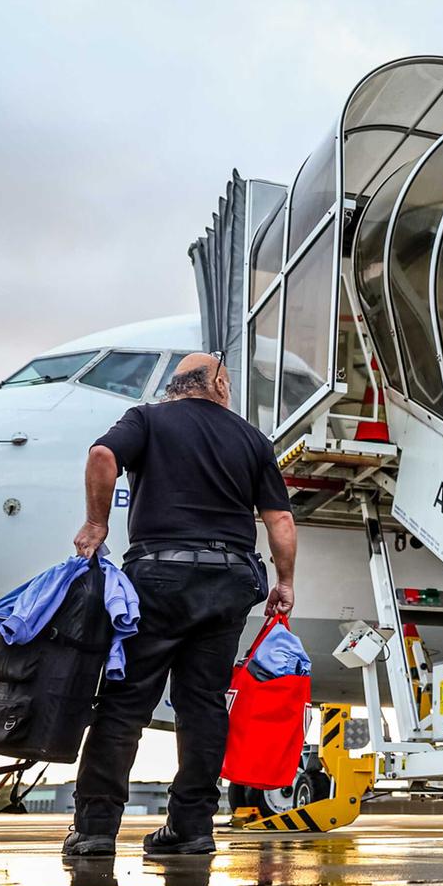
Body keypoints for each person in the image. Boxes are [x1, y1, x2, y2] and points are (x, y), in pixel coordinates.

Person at [64, 353, 297, 857]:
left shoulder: (146, 418)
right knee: (204, 707)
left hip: (160, 576)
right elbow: (280, 521)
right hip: (231, 578)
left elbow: (102, 456)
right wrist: (285, 581)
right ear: (217, 384)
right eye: (229, 384)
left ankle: (95, 829)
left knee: (126, 703)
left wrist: (97, 523)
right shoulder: (253, 440)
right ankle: (192, 828)